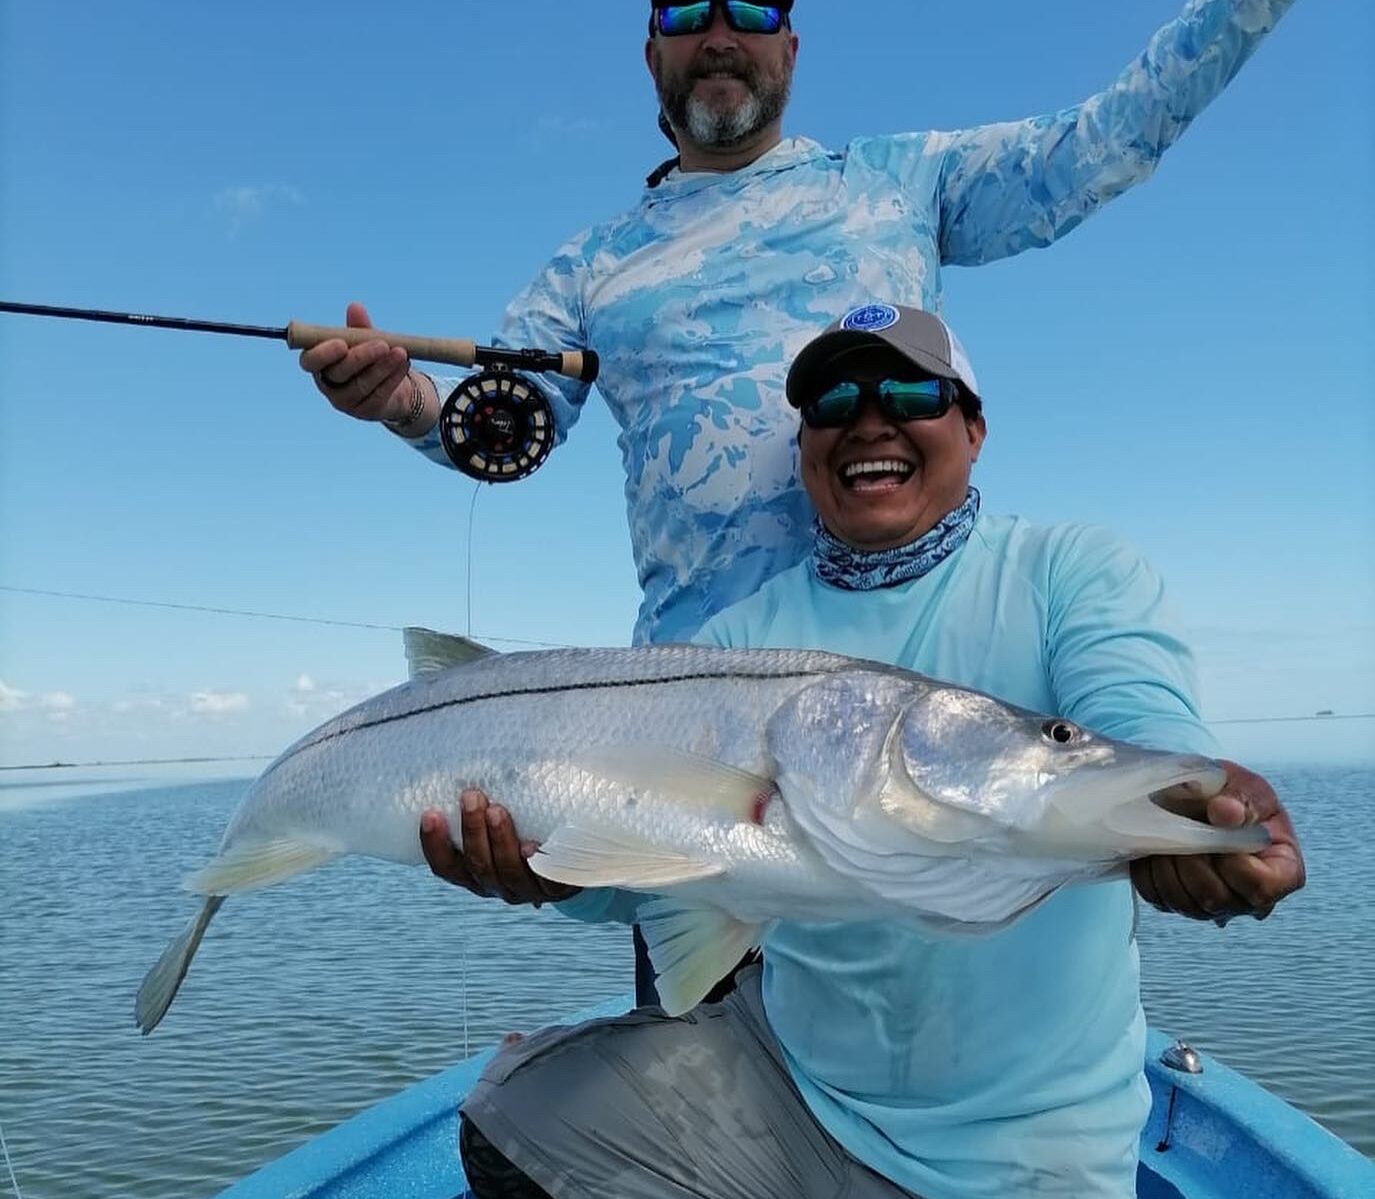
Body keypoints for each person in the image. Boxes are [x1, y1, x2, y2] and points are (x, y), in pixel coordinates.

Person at [300, 0, 1365, 650]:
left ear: (791, 51)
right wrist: (402, 403)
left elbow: (1107, 142)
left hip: (904, 713)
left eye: (751, 16)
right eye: (689, 17)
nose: (721, 35)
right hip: (694, 745)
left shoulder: (902, 181)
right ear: (651, 57)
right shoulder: (587, 267)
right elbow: (504, 429)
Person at [435, 302, 1306, 1199]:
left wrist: (1196, 801)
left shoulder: (1067, 570)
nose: (868, 418)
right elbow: (662, 864)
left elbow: (1140, 719)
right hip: (798, 1089)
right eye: (832, 402)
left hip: (1029, 1155)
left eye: (910, 390)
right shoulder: (738, 639)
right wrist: (550, 874)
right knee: (514, 1122)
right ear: (807, 448)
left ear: (972, 427)